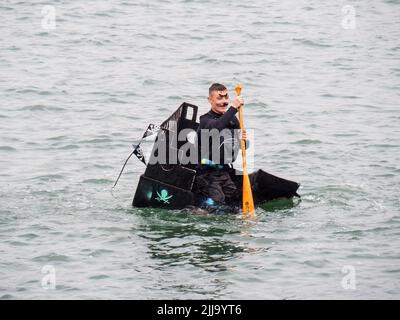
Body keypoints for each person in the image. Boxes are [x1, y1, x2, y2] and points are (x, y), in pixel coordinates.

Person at [195, 83, 248, 206]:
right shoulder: (205, 121)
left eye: (226, 98)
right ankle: (200, 211)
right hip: (205, 174)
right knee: (218, 202)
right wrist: (234, 107)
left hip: (223, 171)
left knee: (234, 200)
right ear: (210, 100)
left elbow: (237, 147)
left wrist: (242, 141)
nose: (224, 102)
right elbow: (217, 127)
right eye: (219, 98)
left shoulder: (233, 120)